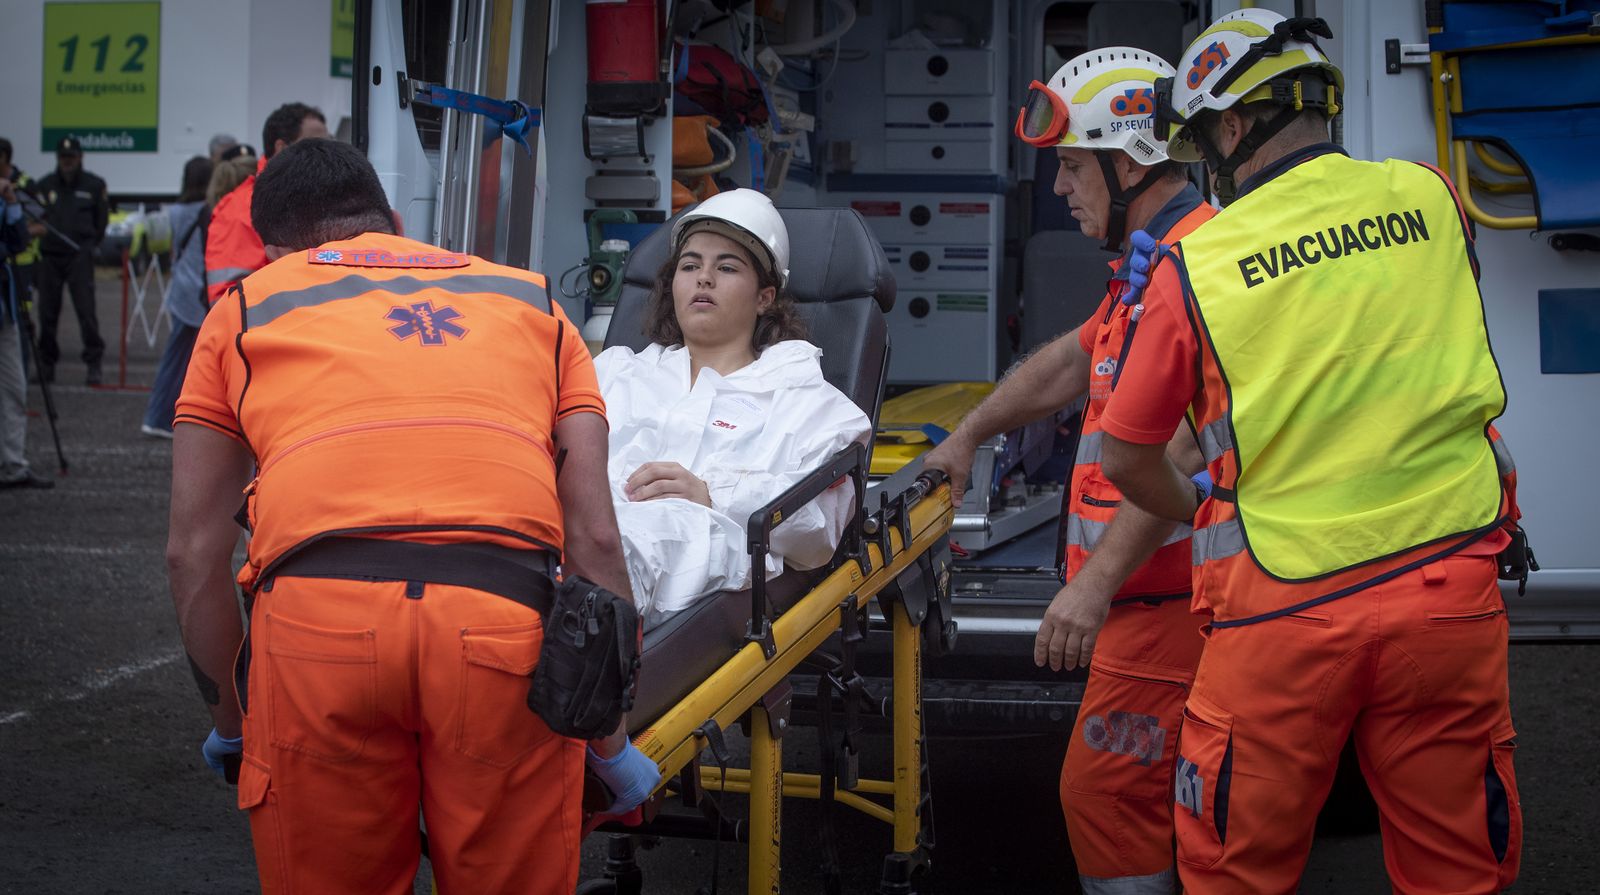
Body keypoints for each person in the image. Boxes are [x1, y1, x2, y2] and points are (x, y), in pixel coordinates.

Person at [1096, 11, 1524, 893]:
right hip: (1449, 591)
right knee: (1457, 868)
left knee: (1235, 870)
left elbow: (1128, 456)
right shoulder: (1434, 197)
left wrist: (1212, 506)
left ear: (1232, 127)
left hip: (1284, 616)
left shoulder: (1197, 265)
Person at [166, 138, 657, 894]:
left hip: (315, 628)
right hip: (502, 622)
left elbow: (193, 552)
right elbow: (593, 535)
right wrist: (612, 744)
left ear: (274, 249)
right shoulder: (532, 302)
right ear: (391, 219)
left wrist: (234, 725)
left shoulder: (244, 308)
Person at [921, 49, 1215, 895]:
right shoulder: (1149, 267)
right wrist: (968, 433)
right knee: (1135, 801)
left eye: (1073, 166)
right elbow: (1070, 361)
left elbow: (1185, 453)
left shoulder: (1196, 269)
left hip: (1166, 601)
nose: (1058, 189)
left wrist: (1092, 587)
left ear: (1129, 164)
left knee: (1114, 795)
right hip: (1147, 599)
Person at [595, 189, 870, 625]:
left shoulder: (808, 402)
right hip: (579, 541)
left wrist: (712, 494)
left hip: (681, 561)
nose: (703, 278)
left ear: (765, 297)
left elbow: (819, 530)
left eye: (726, 267)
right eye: (690, 266)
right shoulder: (613, 374)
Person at [204, 103, 328, 305]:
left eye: (328, 143)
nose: (327, 154)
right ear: (281, 148)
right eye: (314, 146)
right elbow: (229, 303)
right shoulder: (242, 209)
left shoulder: (305, 199)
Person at [140, 157, 213, 438]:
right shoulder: (207, 211)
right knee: (183, 361)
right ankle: (158, 417)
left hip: (180, 291)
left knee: (177, 358)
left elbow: (159, 244)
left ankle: (161, 416)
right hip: (198, 293)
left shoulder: (173, 212)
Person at [33, 137, 109, 385]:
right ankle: (46, 364)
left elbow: (101, 222)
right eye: (64, 158)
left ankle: (93, 363)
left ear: (80, 157)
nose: (68, 162)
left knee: (86, 311)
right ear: (58, 158)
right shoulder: (44, 186)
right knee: (47, 312)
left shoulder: (94, 185)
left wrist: (88, 246)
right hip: (51, 256)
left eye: (72, 157)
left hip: (79, 254)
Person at [1, 174, 52, 488]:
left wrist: (11, 204)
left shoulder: (9, 197)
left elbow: (18, 242)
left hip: (5, 310)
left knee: (14, 388)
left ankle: (14, 462)